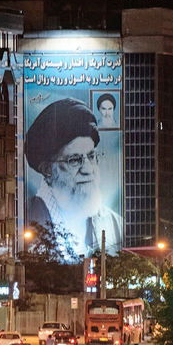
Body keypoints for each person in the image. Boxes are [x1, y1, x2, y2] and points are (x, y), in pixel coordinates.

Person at [24, 98, 123, 257]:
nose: (88, 169)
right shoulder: (26, 221)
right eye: (75, 160)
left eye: (91, 156)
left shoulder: (115, 224)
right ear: (48, 169)